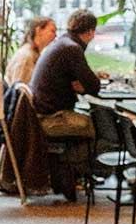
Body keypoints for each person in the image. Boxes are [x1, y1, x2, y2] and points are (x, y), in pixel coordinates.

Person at [28, 7, 104, 135]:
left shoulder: (63, 43)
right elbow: (94, 86)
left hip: (40, 113)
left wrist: (81, 85)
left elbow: (83, 80)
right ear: (91, 32)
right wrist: (83, 86)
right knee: (98, 126)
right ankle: (88, 155)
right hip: (51, 118)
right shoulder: (72, 48)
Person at [4, 15, 56, 86]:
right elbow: (19, 91)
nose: (55, 35)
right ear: (39, 31)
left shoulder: (32, 53)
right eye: (52, 31)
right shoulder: (26, 57)